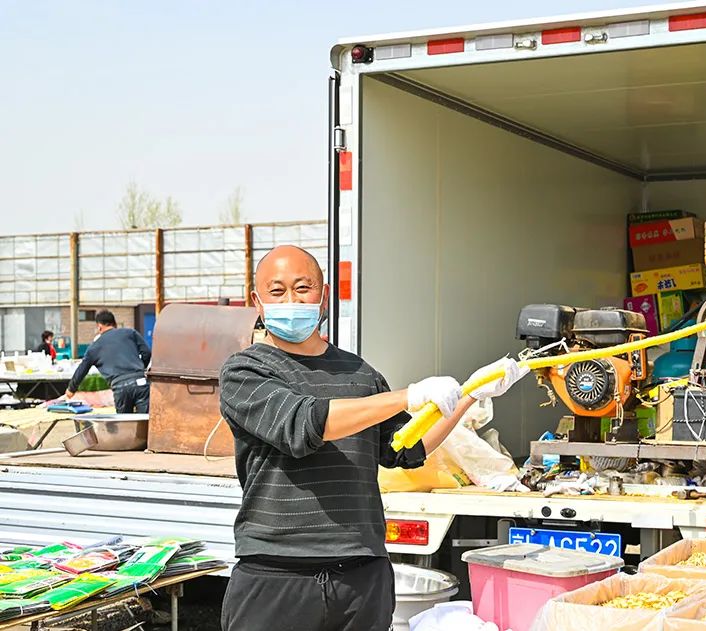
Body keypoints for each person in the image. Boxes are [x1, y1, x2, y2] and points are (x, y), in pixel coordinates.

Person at [219, 245, 526, 631]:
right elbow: (304, 424)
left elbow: (409, 447)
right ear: (257, 301)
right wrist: (407, 395)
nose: (292, 300)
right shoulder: (246, 370)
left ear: (324, 295)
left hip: (362, 576)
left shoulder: (359, 372)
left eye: (303, 287)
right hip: (278, 574)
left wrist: (471, 393)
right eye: (277, 292)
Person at [65, 310, 152, 413]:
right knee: (146, 422)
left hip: (120, 387)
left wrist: (71, 389)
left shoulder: (94, 347)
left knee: (125, 424)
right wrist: (140, 370)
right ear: (114, 323)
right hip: (141, 382)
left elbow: (82, 370)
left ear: (99, 326)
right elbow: (146, 352)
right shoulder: (130, 333)